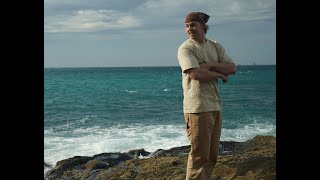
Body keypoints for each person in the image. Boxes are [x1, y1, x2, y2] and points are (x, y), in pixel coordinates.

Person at [177, 12, 236, 180]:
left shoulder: (215, 46)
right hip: (197, 108)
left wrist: (209, 65)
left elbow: (232, 68)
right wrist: (220, 74)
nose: (189, 29)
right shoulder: (186, 48)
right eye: (187, 26)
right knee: (199, 156)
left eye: (193, 25)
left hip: (215, 105)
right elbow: (196, 75)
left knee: (211, 156)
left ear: (203, 26)